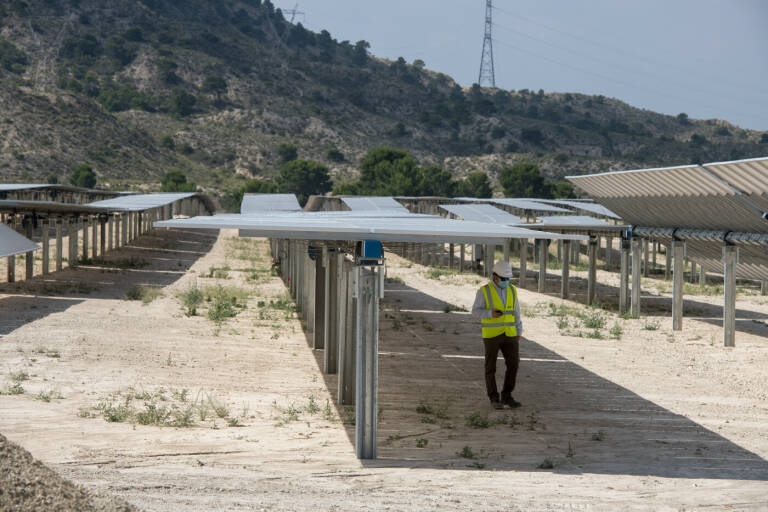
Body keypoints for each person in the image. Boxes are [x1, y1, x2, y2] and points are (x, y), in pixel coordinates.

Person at [471, 260, 523, 410]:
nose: (506, 282)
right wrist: (489, 314)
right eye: (504, 279)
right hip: (492, 335)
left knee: (514, 365)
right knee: (490, 367)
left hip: (510, 334)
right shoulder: (484, 291)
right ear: (495, 277)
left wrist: (519, 332)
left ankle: (507, 396)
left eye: (508, 279)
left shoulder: (512, 290)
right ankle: (494, 398)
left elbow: (517, 313)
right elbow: (475, 311)